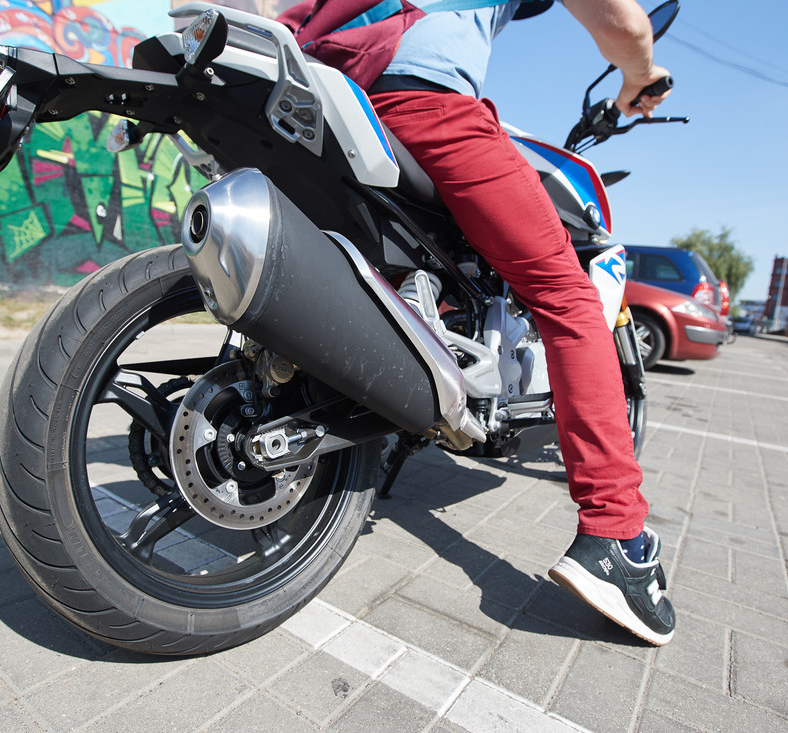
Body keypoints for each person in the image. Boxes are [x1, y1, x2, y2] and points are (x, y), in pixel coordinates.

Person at [284, 0, 675, 645]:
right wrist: (641, 75)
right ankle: (617, 535)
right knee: (569, 297)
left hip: (318, 94)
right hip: (421, 101)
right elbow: (625, 23)